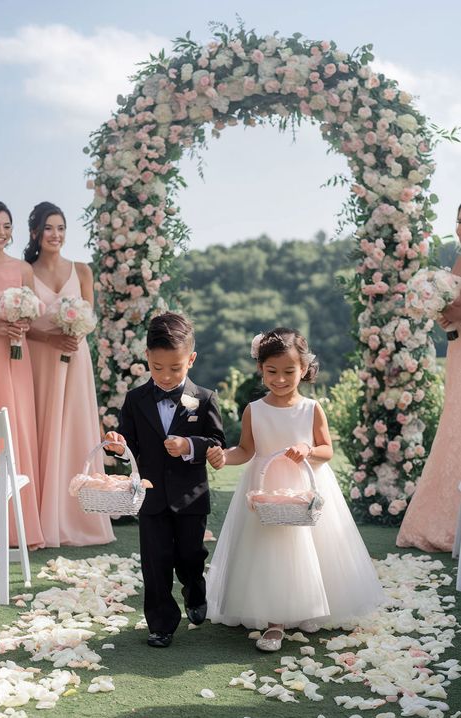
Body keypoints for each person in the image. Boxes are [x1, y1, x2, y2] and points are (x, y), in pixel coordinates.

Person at [206, 328, 383, 652]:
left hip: (305, 487)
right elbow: (246, 450)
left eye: (289, 371)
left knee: (310, 550)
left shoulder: (311, 408)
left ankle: (306, 607)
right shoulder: (254, 410)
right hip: (266, 489)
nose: (281, 379)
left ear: (304, 369)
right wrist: (223, 457)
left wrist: (308, 449)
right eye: (272, 371)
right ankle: (275, 622)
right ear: (260, 369)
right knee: (273, 553)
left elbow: (327, 449)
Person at [105, 311, 225, 648]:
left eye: (176, 367)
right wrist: (118, 444)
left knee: (190, 555)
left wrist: (189, 445)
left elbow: (217, 443)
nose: (167, 376)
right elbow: (128, 441)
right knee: (154, 564)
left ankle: (194, 589)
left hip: (191, 497)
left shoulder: (205, 398)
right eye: (158, 368)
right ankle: (160, 623)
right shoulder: (135, 399)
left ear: (192, 359)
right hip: (151, 497)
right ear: (147, 359)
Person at [24, 201, 115, 547]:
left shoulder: (82, 270)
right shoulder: (25, 272)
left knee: (75, 429)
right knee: (45, 430)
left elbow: (90, 318)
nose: (55, 235)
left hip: (75, 360)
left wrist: (76, 331)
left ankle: (81, 518)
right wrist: (50, 335)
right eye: (49, 228)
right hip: (41, 360)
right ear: (35, 232)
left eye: (61, 228)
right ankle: (44, 520)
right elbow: (23, 325)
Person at [397, 204, 461, 552]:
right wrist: (443, 312)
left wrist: (449, 309)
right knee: (454, 423)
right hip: (457, 351)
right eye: (459, 220)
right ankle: (444, 521)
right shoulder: (458, 257)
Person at [0, 200, 44, 549]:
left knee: (13, 428)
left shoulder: (23, 269)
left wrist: (21, 323)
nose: (2, 232)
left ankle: (15, 526)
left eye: (7, 226)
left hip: (14, 358)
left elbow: (33, 312)